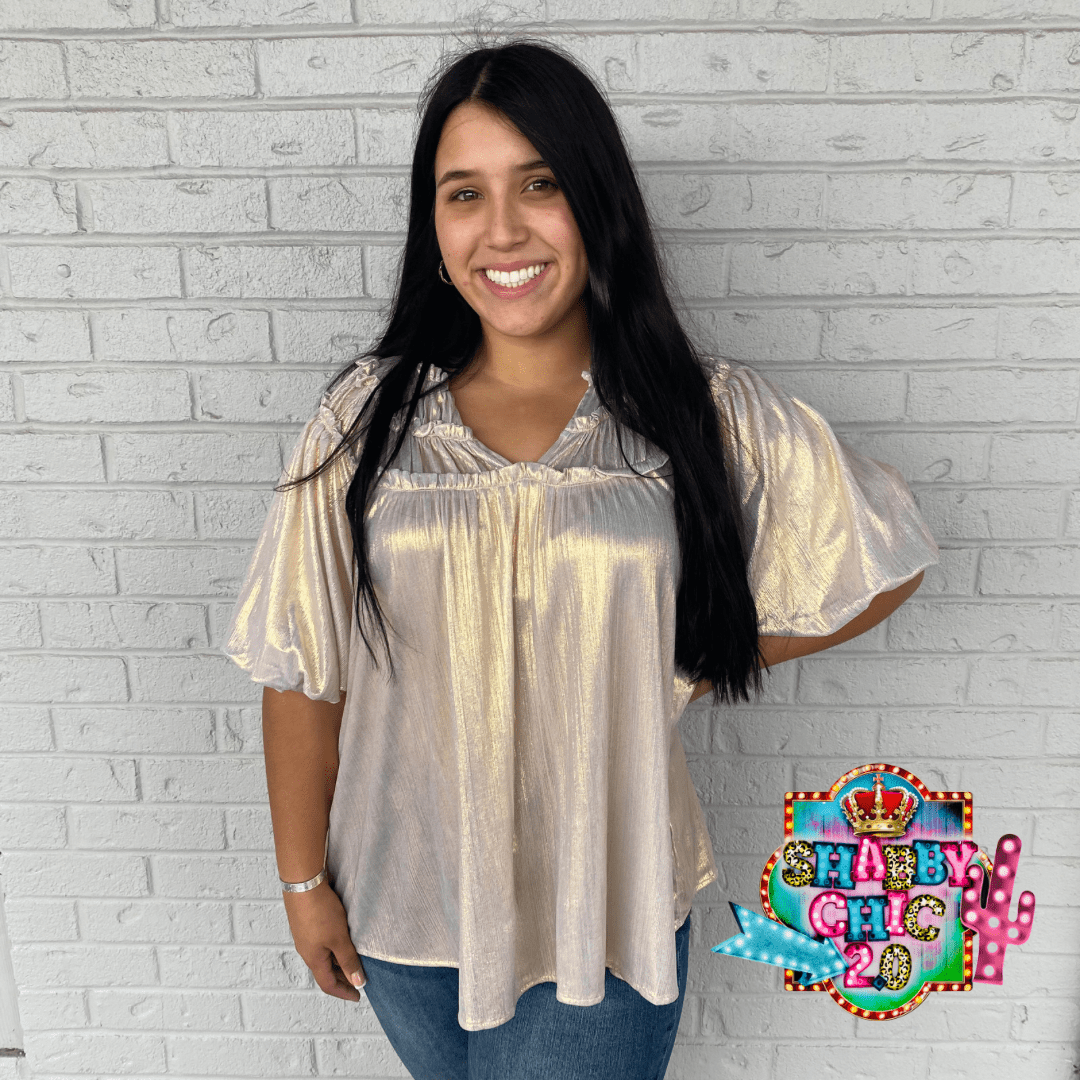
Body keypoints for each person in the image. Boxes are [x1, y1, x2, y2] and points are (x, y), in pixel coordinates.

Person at [222, 37, 939, 1080]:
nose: (502, 229)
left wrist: (694, 650)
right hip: (400, 903)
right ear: (434, 227)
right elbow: (301, 667)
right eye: (464, 193)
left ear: (596, 202)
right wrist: (303, 885)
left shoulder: (697, 411)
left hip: (602, 918)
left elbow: (885, 552)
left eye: (540, 184)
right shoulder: (363, 420)